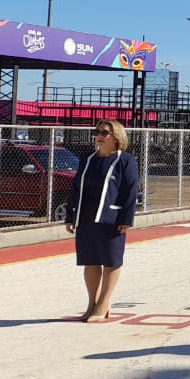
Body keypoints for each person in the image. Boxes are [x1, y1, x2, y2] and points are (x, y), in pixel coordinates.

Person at [64, 119, 141, 323]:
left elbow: (130, 191)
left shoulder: (125, 160)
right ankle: (92, 303)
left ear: (116, 136)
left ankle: (104, 302)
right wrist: (70, 215)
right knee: (90, 262)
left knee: (111, 261)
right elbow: (76, 189)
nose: (99, 135)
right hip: (86, 217)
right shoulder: (88, 159)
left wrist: (127, 218)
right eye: (97, 132)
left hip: (111, 219)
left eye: (104, 132)